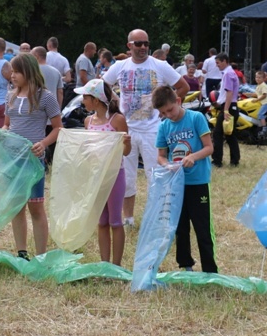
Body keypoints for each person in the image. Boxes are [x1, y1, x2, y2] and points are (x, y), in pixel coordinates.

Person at [103, 29, 188, 228]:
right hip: (127, 130)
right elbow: (103, 85)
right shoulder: (120, 66)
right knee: (127, 176)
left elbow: (182, 86)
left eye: (146, 44)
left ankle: (156, 218)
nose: (143, 47)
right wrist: (115, 102)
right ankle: (129, 219)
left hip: (153, 130)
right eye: (138, 43)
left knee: (155, 174)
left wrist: (165, 109)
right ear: (129, 45)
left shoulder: (159, 65)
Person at [153, 85, 217, 273]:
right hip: (177, 185)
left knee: (202, 227)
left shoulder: (196, 118)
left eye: (170, 109)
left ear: (178, 102)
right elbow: (161, 155)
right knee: (180, 227)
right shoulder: (164, 126)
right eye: (163, 112)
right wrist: (167, 165)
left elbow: (209, 148)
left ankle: (209, 269)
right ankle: (185, 265)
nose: (168, 115)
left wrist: (193, 157)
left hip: (197, 182)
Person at [4, 53, 62, 260]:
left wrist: (43, 144)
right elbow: (7, 124)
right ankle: (21, 253)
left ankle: (41, 256)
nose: (12, 75)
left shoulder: (45, 96)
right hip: (12, 158)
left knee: (35, 207)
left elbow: (58, 128)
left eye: (16, 71)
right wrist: (1, 133)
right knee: (16, 206)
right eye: (11, 71)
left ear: (28, 72)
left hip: (33, 160)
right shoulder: (10, 95)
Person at [75, 79, 131, 266]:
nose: (83, 100)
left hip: (114, 175)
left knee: (116, 221)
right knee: (102, 221)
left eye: (85, 97)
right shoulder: (88, 121)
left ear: (96, 100)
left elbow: (126, 152)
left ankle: (116, 265)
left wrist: (127, 142)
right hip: (97, 176)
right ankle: (104, 264)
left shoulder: (117, 120)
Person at [212, 52, 240, 168]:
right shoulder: (230, 73)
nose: (217, 65)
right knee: (230, 134)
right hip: (231, 106)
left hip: (228, 107)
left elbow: (229, 92)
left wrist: (226, 110)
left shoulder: (228, 74)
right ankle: (234, 160)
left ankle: (217, 160)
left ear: (224, 61)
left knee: (218, 133)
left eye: (218, 63)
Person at [249, 71, 267, 138]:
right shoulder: (258, 86)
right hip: (263, 103)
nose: (257, 79)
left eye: (259, 78)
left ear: (263, 79)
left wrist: (257, 99)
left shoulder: (263, 85)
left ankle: (264, 128)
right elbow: (256, 94)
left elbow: (264, 95)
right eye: (256, 77)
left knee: (260, 114)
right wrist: (246, 94)